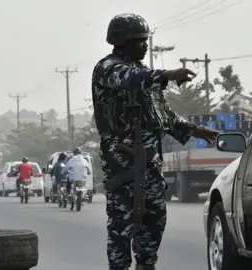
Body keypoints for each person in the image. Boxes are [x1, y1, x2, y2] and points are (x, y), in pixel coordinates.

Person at [92, 13, 220, 270]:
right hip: (123, 161)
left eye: (145, 40)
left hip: (150, 163)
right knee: (122, 225)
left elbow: (164, 116)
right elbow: (128, 79)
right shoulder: (108, 68)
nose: (145, 45)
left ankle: (146, 265)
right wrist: (167, 74)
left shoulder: (144, 74)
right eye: (139, 41)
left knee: (154, 221)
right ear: (122, 41)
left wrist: (195, 130)